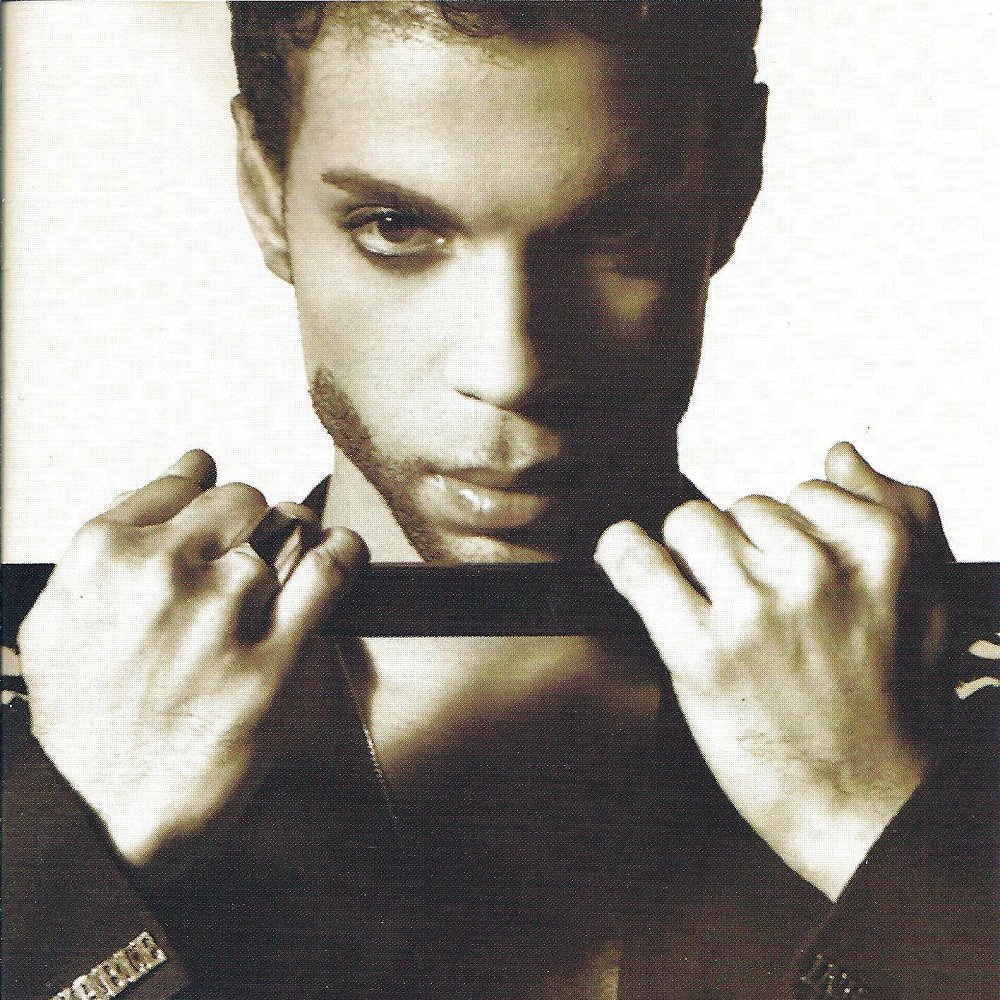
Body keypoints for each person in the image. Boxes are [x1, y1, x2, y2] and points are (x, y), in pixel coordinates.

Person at [3, 3, 996, 998]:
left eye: (616, 226)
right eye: (395, 227)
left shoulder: (954, 710)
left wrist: (874, 825)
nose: (510, 365)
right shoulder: (46, 729)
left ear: (733, 183)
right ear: (265, 194)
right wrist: (70, 842)